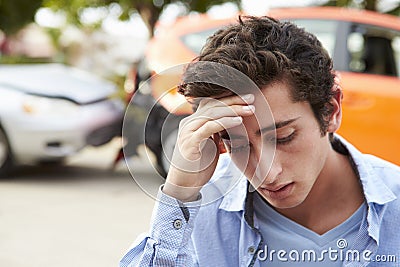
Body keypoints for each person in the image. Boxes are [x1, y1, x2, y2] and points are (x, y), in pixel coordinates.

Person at [120, 16, 400, 267]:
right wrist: (179, 193)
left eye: (283, 137)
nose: (266, 171)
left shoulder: (395, 203)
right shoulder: (202, 208)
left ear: (331, 111)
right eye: (237, 144)